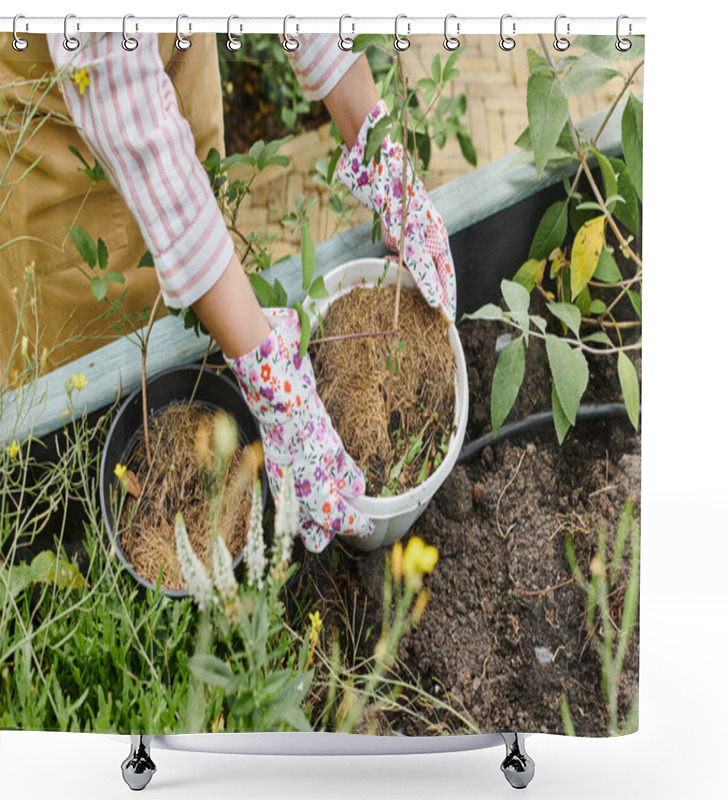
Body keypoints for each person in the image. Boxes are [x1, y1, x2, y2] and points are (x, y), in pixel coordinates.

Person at [0, 32, 456, 552]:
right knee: (90, 417)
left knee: (207, 355)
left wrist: (373, 140)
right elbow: (121, 93)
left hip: (172, 49)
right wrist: (265, 366)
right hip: (63, 124)